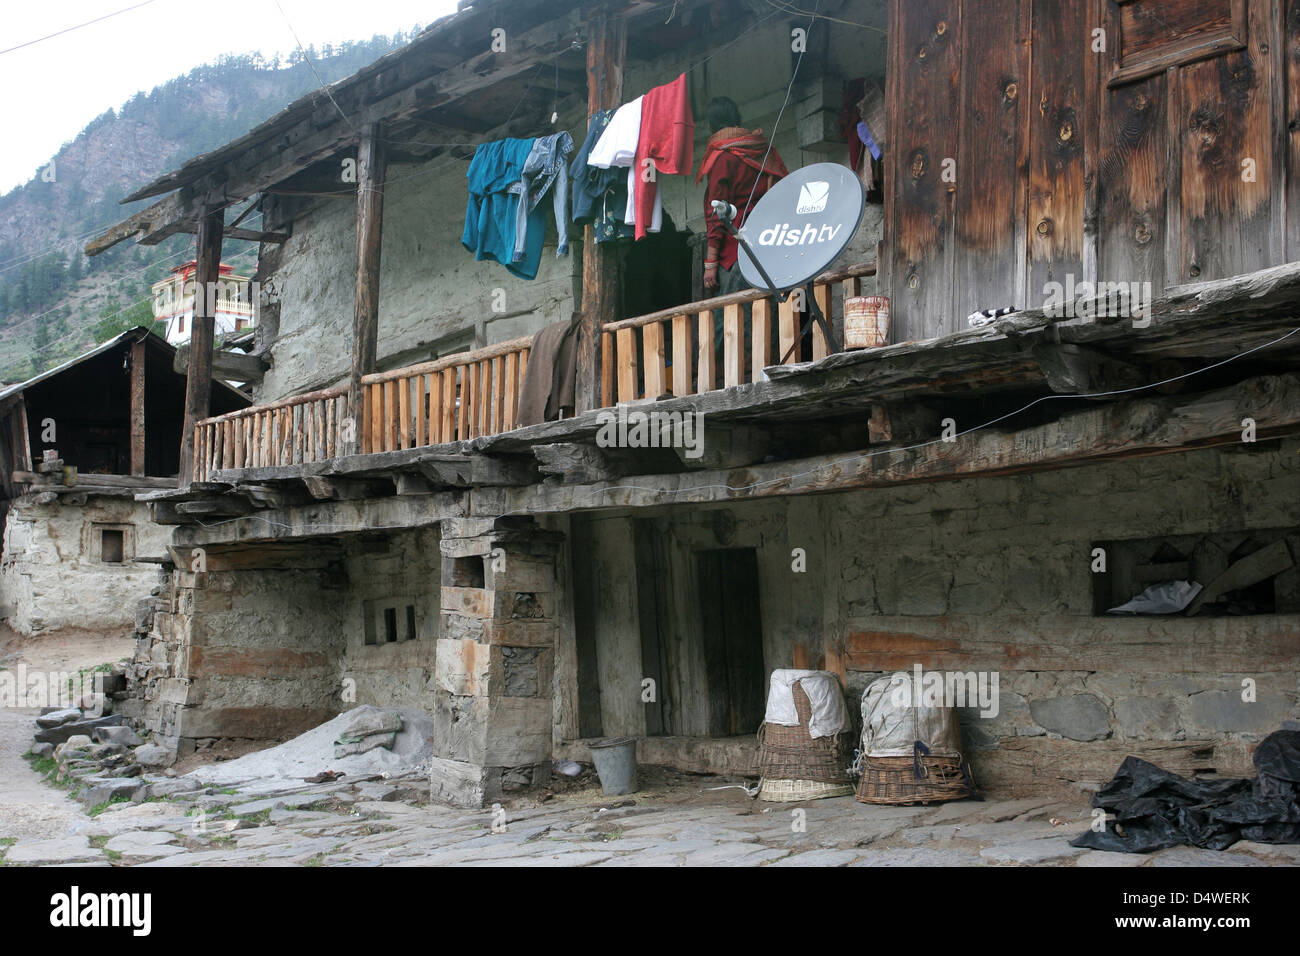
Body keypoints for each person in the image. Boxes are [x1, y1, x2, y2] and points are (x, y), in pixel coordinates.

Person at [697, 97, 788, 295]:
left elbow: (718, 214)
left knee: (732, 320)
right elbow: (785, 191)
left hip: (737, 252)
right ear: (737, 118)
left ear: (710, 126)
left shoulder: (723, 158)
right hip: (770, 244)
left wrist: (710, 263)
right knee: (769, 316)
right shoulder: (762, 151)